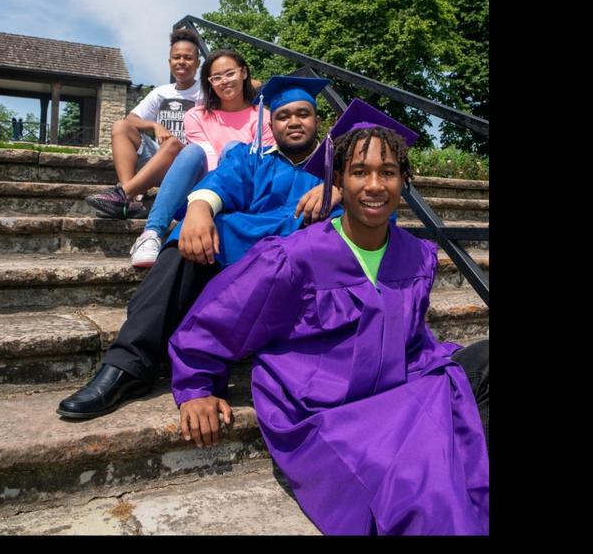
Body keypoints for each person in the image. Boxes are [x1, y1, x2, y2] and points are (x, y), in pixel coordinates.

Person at [169, 99, 490, 535]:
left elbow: (411, 335)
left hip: (405, 388)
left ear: (403, 182)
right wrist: (196, 387)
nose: (374, 185)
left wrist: (437, 362)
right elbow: (218, 320)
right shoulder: (293, 257)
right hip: (330, 412)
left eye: (388, 172)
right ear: (337, 180)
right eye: (359, 172)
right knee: (429, 492)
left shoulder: (418, 256)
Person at [57, 76, 339, 419]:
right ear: (271, 123)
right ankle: (127, 365)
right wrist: (199, 208)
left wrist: (340, 192)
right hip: (241, 262)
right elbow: (220, 182)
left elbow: (373, 216)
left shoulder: (336, 172)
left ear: (317, 120)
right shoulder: (251, 159)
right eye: (283, 116)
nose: (293, 121)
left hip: (294, 278)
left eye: (303, 114)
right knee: (183, 244)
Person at [128, 49, 275, 267]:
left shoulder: (263, 116)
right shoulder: (196, 115)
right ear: (209, 82)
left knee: (235, 150)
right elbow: (207, 157)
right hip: (198, 197)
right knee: (192, 151)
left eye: (230, 73)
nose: (224, 81)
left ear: (243, 73)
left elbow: (263, 164)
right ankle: (151, 233)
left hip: (243, 196)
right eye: (216, 77)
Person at [84, 29, 205, 220]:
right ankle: (130, 200)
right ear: (169, 62)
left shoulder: (206, 91)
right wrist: (154, 126)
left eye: (188, 58)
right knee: (120, 127)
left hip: (187, 162)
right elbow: (131, 119)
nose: (181, 61)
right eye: (176, 57)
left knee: (172, 144)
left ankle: (122, 193)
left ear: (197, 63)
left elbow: (248, 84)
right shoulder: (161, 92)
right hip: (158, 160)